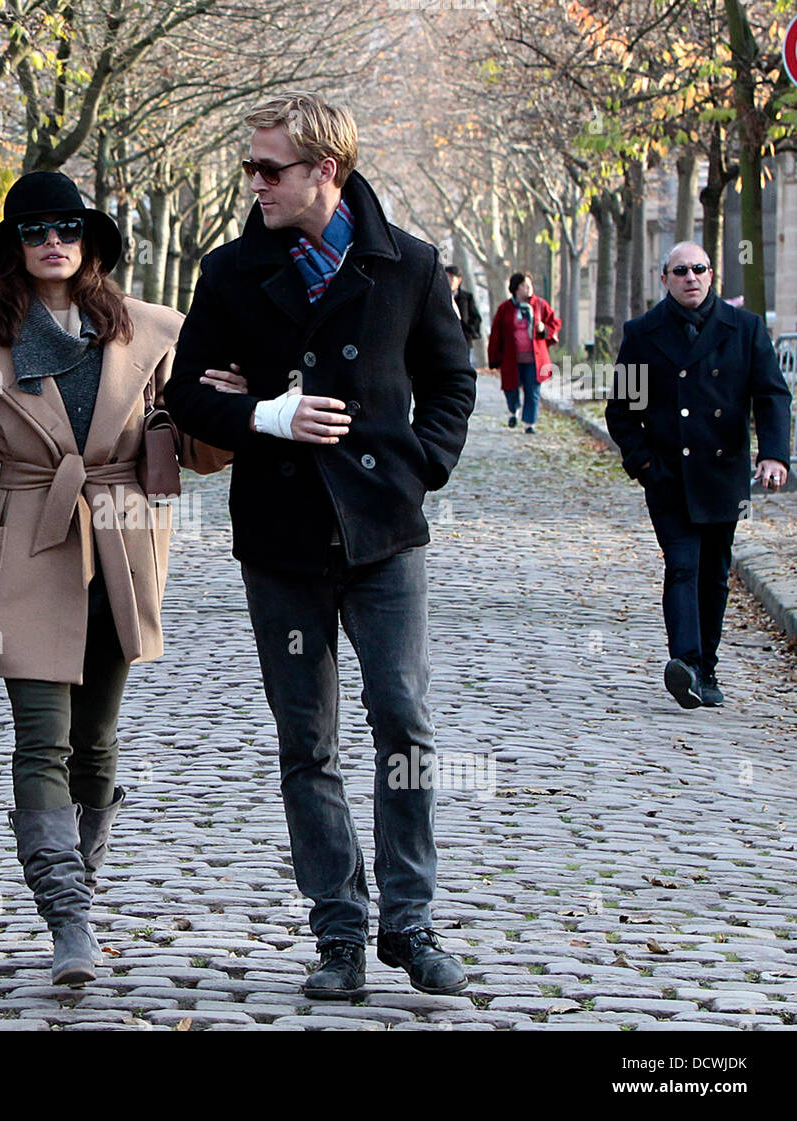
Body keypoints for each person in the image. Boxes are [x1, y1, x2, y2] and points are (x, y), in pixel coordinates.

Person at [164, 91, 477, 999]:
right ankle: (338, 930)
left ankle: (410, 921)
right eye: (250, 167)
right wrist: (264, 411)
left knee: (405, 720)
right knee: (307, 738)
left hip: (383, 533)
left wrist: (422, 465)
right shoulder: (228, 272)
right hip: (281, 534)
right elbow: (187, 393)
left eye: (271, 169)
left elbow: (450, 379)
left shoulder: (409, 264)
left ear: (325, 171)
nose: (254, 183)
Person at [0, 171, 233, 986]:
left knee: (97, 742)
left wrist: (241, 407)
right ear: (13, 250)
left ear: (91, 241)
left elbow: (193, 446)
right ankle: (67, 918)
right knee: (42, 738)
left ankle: (82, 893)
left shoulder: (150, 334)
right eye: (35, 231)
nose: (53, 241)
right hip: (25, 545)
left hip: (124, 543)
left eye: (68, 227)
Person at [606, 240, 791, 709]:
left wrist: (774, 455)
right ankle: (685, 664)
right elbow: (623, 410)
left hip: (723, 474)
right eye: (681, 270)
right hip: (668, 475)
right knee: (683, 564)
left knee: (715, 573)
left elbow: (772, 395)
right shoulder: (643, 333)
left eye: (700, 269)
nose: (692, 277)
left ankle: (706, 667)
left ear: (713, 276)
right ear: (664, 279)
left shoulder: (744, 329)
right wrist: (644, 462)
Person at [487, 271, 560, 433]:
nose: (528, 289)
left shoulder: (540, 305)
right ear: (515, 288)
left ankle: (529, 423)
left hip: (535, 358)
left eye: (529, 285)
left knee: (532, 390)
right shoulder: (505, 309)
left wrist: (544, 329)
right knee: (511, 388)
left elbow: (555, 323)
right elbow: (496, 334)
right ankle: (514, 410)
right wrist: (494, 359)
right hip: (511, 358)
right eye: (523, 286)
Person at [446, 265, 481, 368]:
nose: (449, 280)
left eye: (452, 277)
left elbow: (476, 318)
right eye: (446, 277)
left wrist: (469, 331)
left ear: (459, 280)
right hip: (444, 341)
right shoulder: (437, 297)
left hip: (463, 341)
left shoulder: (466, 298)